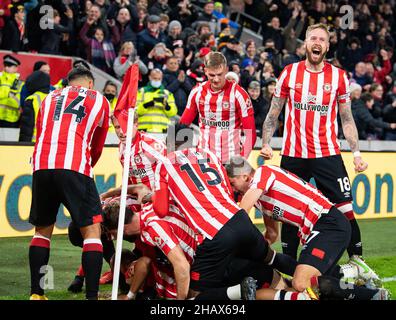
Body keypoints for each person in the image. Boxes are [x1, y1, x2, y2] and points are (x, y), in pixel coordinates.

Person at [260, 23, 379, 283]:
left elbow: (347, 119)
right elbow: (273, 113)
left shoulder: (338, 77)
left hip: (327, 154)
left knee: (346, 209)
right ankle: (290, 268)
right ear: (305, 44)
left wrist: (356, 152)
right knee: (290, 212)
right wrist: (266, 142)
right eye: (312, 38)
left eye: (322, 39)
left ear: (327, 46)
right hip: (293, 154)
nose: (317, 42)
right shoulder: (289, 73)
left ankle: (358, 263)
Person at [151, 123, 298, 297]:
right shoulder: (210, 155)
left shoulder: (165, 163)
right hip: (240, 220)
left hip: (214, 233)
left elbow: (160, 210)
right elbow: (228, 193)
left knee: (195, 295)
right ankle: (321, 280)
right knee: (272, 258)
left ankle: (237, 293)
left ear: (169, 144)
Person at [225, 157, 390, 300]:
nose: (233, 190)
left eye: (232, 183)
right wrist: (252, 251)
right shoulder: (260, 201)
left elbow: (243, 211)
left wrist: (229, 241)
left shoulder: (263, 172)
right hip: (317, 230)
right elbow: (272, 234)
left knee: (300, 282)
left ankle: (356, 274)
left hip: (327, 222)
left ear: (245, 176)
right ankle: (367, 287)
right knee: (313, 284)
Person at [28, 67, 110, 300]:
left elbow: (41, 131)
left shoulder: (48, 98)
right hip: (74, 166)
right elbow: (97, 144)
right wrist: (88, 164)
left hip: (42, 165)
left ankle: (37, 293)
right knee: (92, 232)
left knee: (42, 231)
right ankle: (91, 296)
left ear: (67, 83)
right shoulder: (100, 100)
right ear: (91, 84)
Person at [180, 51, 256, 164]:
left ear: (226, 70)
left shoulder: (239, 94)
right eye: (212, 75)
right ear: (205, 71)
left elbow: (251, 133)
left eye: (219, 74)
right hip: (203, 160)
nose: (216, 79)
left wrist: (241, 162)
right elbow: (182, 126)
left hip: (231, 160)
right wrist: (174, 156)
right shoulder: (197, 92)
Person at [136, 68, 177, 134]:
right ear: (150, 77)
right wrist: (146, 105)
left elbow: (173, 113)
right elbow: (135, 111)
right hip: (144, 130)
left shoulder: (167, 93)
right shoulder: (141, 92)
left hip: (163, 130)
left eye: (159, 79)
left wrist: (167, 107)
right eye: (155, 78)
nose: (157, 81)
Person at [19, 71, 50, 142]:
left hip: (34, 143)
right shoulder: (54, 98)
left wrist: (22, 145)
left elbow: (26, 128)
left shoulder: (32, 99)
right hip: (49, 144)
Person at [0, 55, 24, 128]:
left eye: (10, 66)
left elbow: (20, 98)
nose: (6, 67)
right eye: (6, 65)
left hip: (12, 118)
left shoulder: (19, 82)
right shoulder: (0, 78)